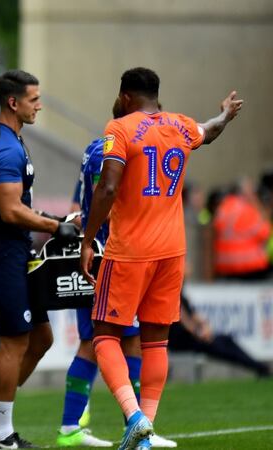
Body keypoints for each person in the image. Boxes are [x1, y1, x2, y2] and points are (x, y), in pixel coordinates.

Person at [80, 67, 243, 450]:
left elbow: (107, 187)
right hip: (172, 252)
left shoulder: (119, 129)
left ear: (125, 97)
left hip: (130, 251)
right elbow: (211, 130)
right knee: (156, 342)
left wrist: (88, 241)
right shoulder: (181, 125)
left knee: (104, 335)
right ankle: (145, 435)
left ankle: (135, 417)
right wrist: (224, 113)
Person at [56, 98, 176, 448]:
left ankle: (139, 427)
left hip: (118, 255)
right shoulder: (106, 153)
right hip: (111, 257)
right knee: (97, 342)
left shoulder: (100, 149)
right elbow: (103, 205)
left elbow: (81, 204)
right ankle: (72, 426)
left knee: (129, 341)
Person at [0, 70, 79, 449]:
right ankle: (2, 434)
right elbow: (11, 210)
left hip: (17, 250)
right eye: (34, 99)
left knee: (42, 338)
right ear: (13, 103)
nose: (40, 105)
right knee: (14, 342)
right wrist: (54, 226)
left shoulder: (13, 140)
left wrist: (59, 222)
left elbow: (20, 208)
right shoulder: (4, 147)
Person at [169, 293, 270, 377]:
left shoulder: (181, 294)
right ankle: (259, 368)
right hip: (182, 341)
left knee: (226, 340)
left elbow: (196, 317)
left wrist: (206, 328)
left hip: (193, 339)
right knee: (222, 348)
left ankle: (258, 367)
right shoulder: (173, 294)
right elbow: (185, 320)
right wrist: (199, 335)